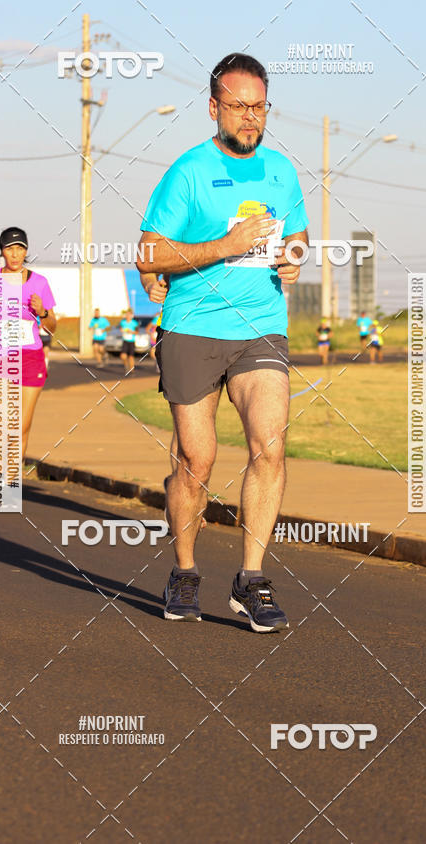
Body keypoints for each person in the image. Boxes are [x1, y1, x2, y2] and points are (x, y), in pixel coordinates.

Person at [136, 52, 308, 632]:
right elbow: (150, 253)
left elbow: (298, 238)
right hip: (192, 326)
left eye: (258, 107)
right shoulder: (187, 172)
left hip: (261, 325)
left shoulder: (283, 172)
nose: (249, 117)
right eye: (237, 106)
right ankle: (184, 570)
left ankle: (251, 578)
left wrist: (293, 260)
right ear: (214, 107)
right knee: (196, 460)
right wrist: (224, 246)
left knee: (270, 446)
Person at [0, 227, 57, 461]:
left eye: (20, 248)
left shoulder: (39, 283)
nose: (15, 254)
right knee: (2, 422)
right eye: (10, 248)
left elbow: (51, 326)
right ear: (2, 251)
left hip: (30, 358)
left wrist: (43, 311)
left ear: (26, 251)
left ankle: (9, 482)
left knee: (21, 427)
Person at [119, 309, 138, 374]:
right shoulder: (123, 322)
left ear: (131, 316)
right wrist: (121, 330)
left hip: (131, 341)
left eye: (129, 315)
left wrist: (131, 332)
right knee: (123, 356)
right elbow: (120, 328)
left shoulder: (134, 323)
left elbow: (137, 332)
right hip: (125, 340)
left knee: (131, 356)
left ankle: (132, 370)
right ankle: (126, 365)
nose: (127, 316)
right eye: (126, 315)